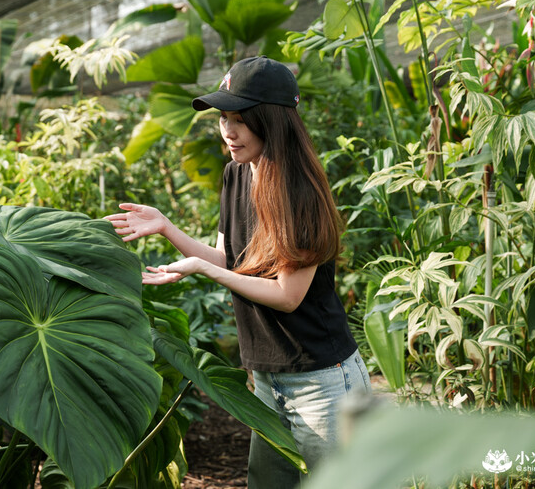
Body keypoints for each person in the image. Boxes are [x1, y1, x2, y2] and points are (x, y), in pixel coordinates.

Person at [105, 56, 371, 488]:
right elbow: (229, 259)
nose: (228, 131)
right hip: (266, 379)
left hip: (321, 383)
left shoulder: (300, 192)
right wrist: (168, 228)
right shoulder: (236, 174)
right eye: (223, 118)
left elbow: (287, 296)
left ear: (272, 122)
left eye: (241, 120)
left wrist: (202, 270)